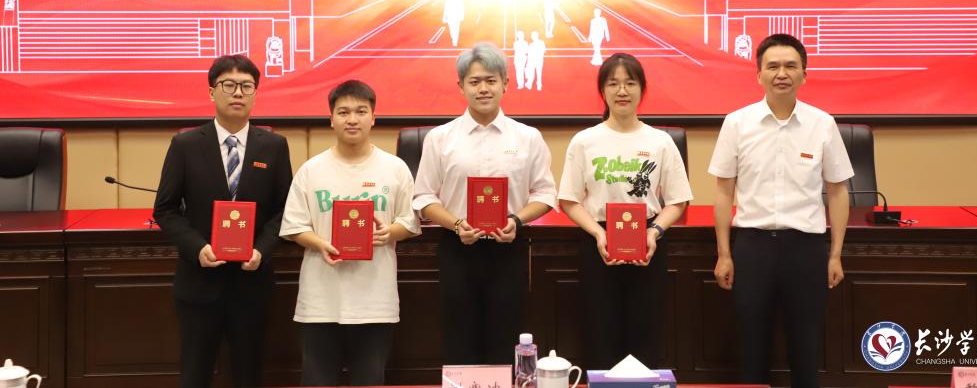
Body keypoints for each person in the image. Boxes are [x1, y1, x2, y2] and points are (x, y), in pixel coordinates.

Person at [708, 34, 853, 388]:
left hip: (805, 249)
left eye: (791, 66)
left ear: (804, 74)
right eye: (772, 66)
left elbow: (838, 191)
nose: (782, 74)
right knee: (751, 346)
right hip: (752, 247)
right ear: (759, 74)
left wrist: (835, 254)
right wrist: (724, 254)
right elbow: (724, 191)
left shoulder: (822, 124)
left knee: (806, 347)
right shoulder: (737, 123)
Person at [153, 54, 293, 388]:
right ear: (212, 92)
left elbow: (285, 210)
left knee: (248, 375)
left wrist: (261, 250)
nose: (238, 93)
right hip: (199, 283)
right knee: (195, 375)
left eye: (247, 86)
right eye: (228, 85)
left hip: (251, 283)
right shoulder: (185, 145)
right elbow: (165, 209)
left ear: (255, 93)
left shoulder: (274, 146)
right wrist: (197, 248)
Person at [412, 42, 557, 364]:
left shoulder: (528, 137)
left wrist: (516, 221)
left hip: (509, 248)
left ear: (505, 84)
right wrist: (456, 224)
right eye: (474, 81)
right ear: (461, 86)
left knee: (506, 335)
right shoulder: (440, 138)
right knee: (459, 336)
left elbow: (545, 193)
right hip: (458, 248)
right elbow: (423, 197)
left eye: (491, 80)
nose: (483, 89)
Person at [280, 80, 420, 386]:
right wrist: (320, 243)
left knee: (369, 381)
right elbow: (294, 226)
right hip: (320, 302)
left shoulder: (395, 168)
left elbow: (410, 222)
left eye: (361, 111)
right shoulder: (311, 170)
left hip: (375, 302)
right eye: (343, 112)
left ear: (373, 117)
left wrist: (389, 233)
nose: (352, 119)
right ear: (331, 119)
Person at [558, 53, 692, 370]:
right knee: (600, 332)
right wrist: (598, 233)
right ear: (602, 91)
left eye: (630, 83)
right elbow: (569, 200)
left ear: (642, 89)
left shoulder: (660, 141)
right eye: (613, 84)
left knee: (645, 332)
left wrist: (654, 232)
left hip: (647, 241)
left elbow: (678, 200)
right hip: (598, 241)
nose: (622, 91)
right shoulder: (585, 141)